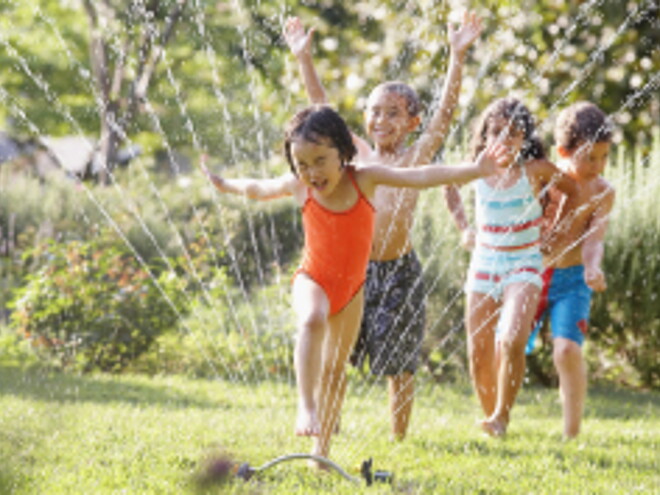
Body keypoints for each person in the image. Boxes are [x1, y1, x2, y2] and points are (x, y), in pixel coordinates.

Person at [201, 105, 507, 464]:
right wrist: (225, 184)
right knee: (312, 318)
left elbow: (423, 175)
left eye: (320, 160)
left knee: (334, 371)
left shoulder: (365, 178)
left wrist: (477, 169)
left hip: (352, 292)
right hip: (312, 278)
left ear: (343, 152)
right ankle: (305, 406)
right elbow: (256, 188)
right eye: (302, 164)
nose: (312, 172)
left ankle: (321, 454)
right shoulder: (300, 187)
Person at [284, 11, 482, 440]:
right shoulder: (354, 156)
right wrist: (304, 60)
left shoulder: (414, 158)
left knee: (400, 360)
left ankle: (398, 438)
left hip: (398, 269)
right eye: (374, 112)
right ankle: (325, 428)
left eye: (394, 113)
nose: (380, 121)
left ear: (413, 122)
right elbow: (321, 113)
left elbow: (445, 114)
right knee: (336, 357)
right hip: (348, 272)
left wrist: (457, 56)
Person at [445, 97, 578, 437]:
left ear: (525, 139)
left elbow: (573, 191)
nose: (504, 140)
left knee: (512, 340)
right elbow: (449, 185)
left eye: (514, 134)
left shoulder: (535, 171)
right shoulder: (476, 169)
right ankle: (491, 419)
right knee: (478, 350)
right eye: (496, 132)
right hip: (485, 262)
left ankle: (502, 415)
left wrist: (557, 233)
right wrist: (464, 228)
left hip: (525, 262)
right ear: (485, 136)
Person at [526, 101, 614, 438]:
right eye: (590, 157)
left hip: (573, 278)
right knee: (510, 344)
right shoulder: (546, 180)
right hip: (533, 274)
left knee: (567, 350)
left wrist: (593, 268)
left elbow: (594, 239)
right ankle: (498, 416)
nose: (598, 166)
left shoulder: (603, 192)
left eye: (605, 157)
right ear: (564, 150)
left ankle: (571, 433)